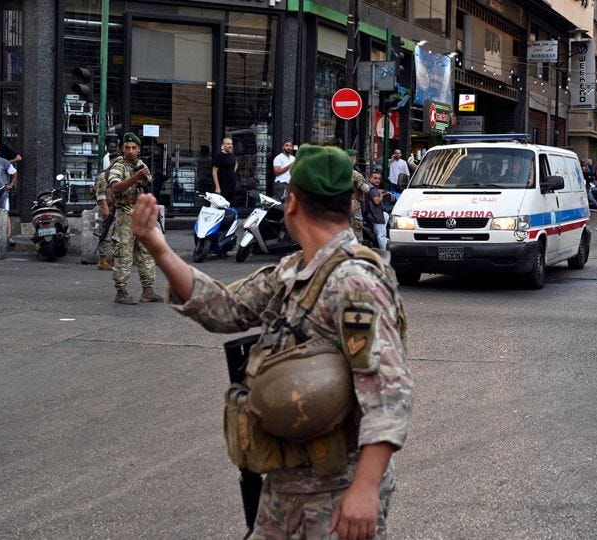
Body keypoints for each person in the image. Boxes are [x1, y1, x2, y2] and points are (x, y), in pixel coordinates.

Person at [128, 144, 414, 537]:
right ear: (348, 206)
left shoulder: (355, 282)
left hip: (337, 490)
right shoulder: (293, 272)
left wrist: (364, 489)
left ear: (292, 203)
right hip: (285, 483)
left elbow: (389, 392)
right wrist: (158, 248)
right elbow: (225, 308)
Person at [108, 132, 162, 305]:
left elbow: (149, 187)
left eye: (134, 148)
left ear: (139, 149)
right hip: (125, 213)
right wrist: (136, 178)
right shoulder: (118, 167)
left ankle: (148, 290)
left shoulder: (141, 165)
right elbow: (116, 187)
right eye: (127, 148)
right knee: (123, 253)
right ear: (123, 149)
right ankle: (121, 292)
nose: (130, 151)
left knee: (147, 253)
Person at [92, 151, 120, 271]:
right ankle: (102, 260)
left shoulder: (118, 175)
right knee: (105, 234)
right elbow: (100, 193)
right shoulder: (105, 175)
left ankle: (114, 260)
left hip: (116, 208)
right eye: (118, 161)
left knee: (116, 235)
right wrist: (105, 208)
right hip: (106, 208)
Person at [348, 149, 371, 243]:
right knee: (356, 226)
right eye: (354, 158)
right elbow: (365, 188)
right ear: (352, 159)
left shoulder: (335, 173)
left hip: (338, 204)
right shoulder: (355, 174)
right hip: (353, 203)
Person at [364, 169, 389, 250]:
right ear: (370, 178)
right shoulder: (372, 189)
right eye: (375, 178)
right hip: (376, 215)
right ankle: (384, 252)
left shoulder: (371, 188)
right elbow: (377, 202)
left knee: (381, 234)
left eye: (379, 178)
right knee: (381, 235)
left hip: (377, 215)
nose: (377, 180)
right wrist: (381, 195)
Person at [212, 137, 238, 204]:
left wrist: (232, 172)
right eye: (228, 144)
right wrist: (217, 187)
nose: (230, 146)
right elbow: (214, 172)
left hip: (232, 184)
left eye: (231, 144)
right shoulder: (220, 156)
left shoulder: (232, 155)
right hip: (222, 185)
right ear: (223, 145)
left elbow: (236, 163)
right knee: (221, 204)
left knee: (230, 204)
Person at [0, 142, 17, 211]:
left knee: (4, 213)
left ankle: (6, 222)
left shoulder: (3, 161)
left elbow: (14, 172)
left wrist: (11, 184)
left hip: (2, 191)